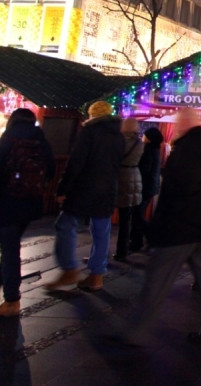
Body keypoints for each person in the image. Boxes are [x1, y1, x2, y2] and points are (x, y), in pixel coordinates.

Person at [118, 108, 201, 345]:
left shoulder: (187, 149)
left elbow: (179, 190)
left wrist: (160, 225)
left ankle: (136, 330)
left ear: (185, 123)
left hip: (181, 228)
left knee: (158, 279)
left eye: (178, 122)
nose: (176, 126)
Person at [0, 108, 55, 316]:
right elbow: (51, 170)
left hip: (7, 202)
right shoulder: (41, 141)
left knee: (10, 250)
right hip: (30, 203)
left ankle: (11, 300)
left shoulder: (9, 138)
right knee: (10, 247)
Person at [45, 100, 124, 292]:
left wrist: (63, 189)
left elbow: (76, 163)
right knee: (101, 230)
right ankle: (96, 274)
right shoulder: (119, 137)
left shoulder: (89, 132)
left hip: (85, 187)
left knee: (65, 224)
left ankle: (70, 267)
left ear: (92, 114)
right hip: (108, 189)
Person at [114, 118, 144, 262]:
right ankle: (122, 250)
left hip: (119, 176)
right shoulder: (140, 143)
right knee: (126, 218)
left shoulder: (118, 142)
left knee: (105, 215)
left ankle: (101, 250)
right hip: (134, 176)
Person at [130, 127, 163, 252]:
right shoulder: (156, 150)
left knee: (137, 215)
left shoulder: (147, 149)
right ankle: (137, 241)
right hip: (150, 187)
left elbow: (145, 169)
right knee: (138, 214)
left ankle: (149, 237)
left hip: (144, 186)